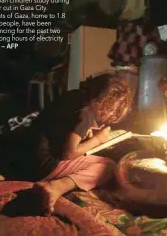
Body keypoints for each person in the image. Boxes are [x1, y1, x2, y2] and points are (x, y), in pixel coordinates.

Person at [9, 74, 133, 216]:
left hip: (25, 156)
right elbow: (69, 153)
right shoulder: (86, 113)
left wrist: (87, 133)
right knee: (108, 166)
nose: (111, 116)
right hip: (41, 165)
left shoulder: (73, 96)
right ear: (102, 102)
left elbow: (64, 128)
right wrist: (98, 140)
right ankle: (57, 186)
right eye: (112, 110)